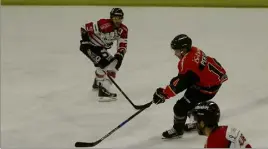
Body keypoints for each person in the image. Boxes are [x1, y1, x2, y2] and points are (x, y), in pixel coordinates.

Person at [152, 34, 228, 139]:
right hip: (210, 82)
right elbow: (186, 78)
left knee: (180, 108)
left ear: (183, 50)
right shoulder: (194, 50)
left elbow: (180, 84)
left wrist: (164, 94)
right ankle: (198, 121)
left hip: (206, 88)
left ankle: (178, 130)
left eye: (177, 51)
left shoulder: (188, 63)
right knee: (191, 103)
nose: (175, 54)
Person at [79, 8, 128, 102]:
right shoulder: (104, 24)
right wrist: (85, 40)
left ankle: (98, 83)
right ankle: (104, 90)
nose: (117, 21)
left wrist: (120, 54)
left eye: (119, 18)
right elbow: (84, 27)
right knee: (111, 65)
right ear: (111, 18)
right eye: (115, 18)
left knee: (103, 65)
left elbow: (122, 43)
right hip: (89, 46)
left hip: (99, 48)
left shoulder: (123, 30)